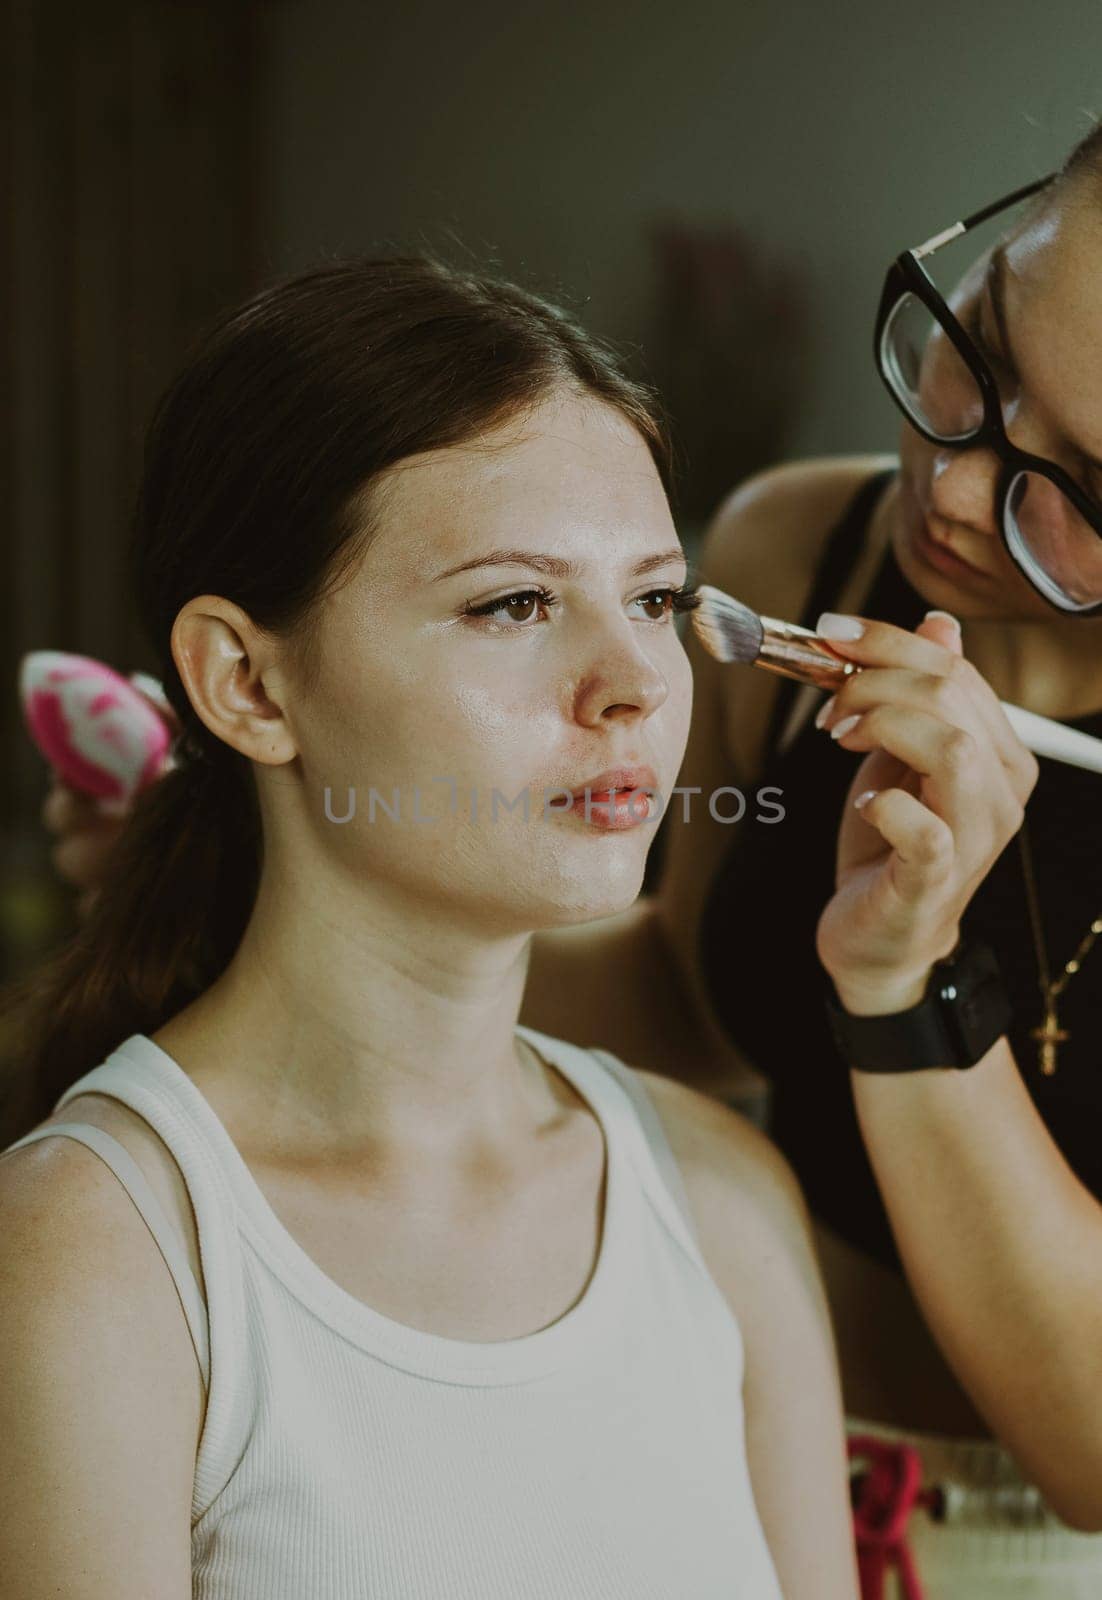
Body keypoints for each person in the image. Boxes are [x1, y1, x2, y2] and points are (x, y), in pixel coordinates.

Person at [0, 257, 861, 1597]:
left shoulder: (717, 1198)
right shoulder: (94, 1254)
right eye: (510, 604)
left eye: (652, 598)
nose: (636, 681)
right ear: (245, 682)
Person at [522, 124, 1102, 1596]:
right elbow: (692, 990)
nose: (956, 494)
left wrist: (906, 980)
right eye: (980, 349)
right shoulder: (796, 553)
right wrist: (298, 889)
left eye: (1085, 483)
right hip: (727, 1444)